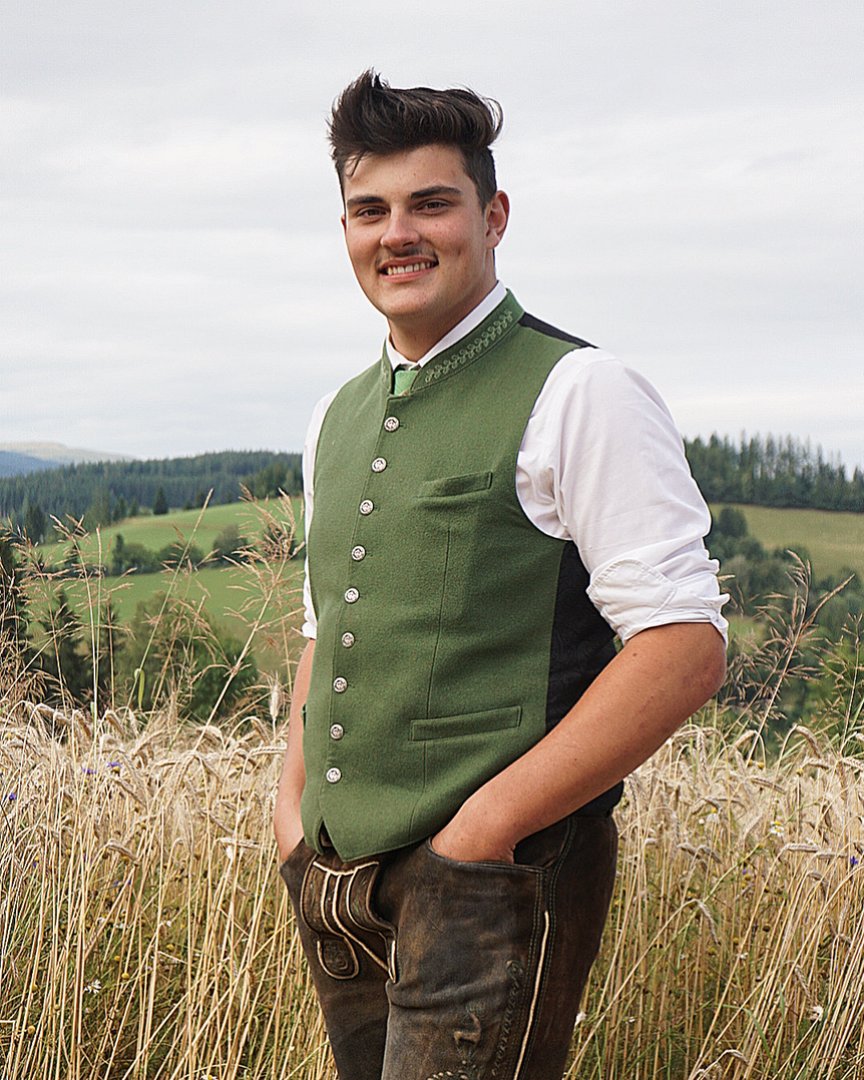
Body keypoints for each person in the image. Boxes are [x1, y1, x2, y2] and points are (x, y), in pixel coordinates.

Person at [273, 70, 728, 1080]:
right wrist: (292, 810)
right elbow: (326, 624)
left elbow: (684, 646)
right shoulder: (334, 416)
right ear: (345, 230)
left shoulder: (581, 390)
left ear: (494, 216)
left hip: (494, 880)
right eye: (369, 210)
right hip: (337, 881)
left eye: (431, 203)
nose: (398, 233)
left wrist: (485, 830)